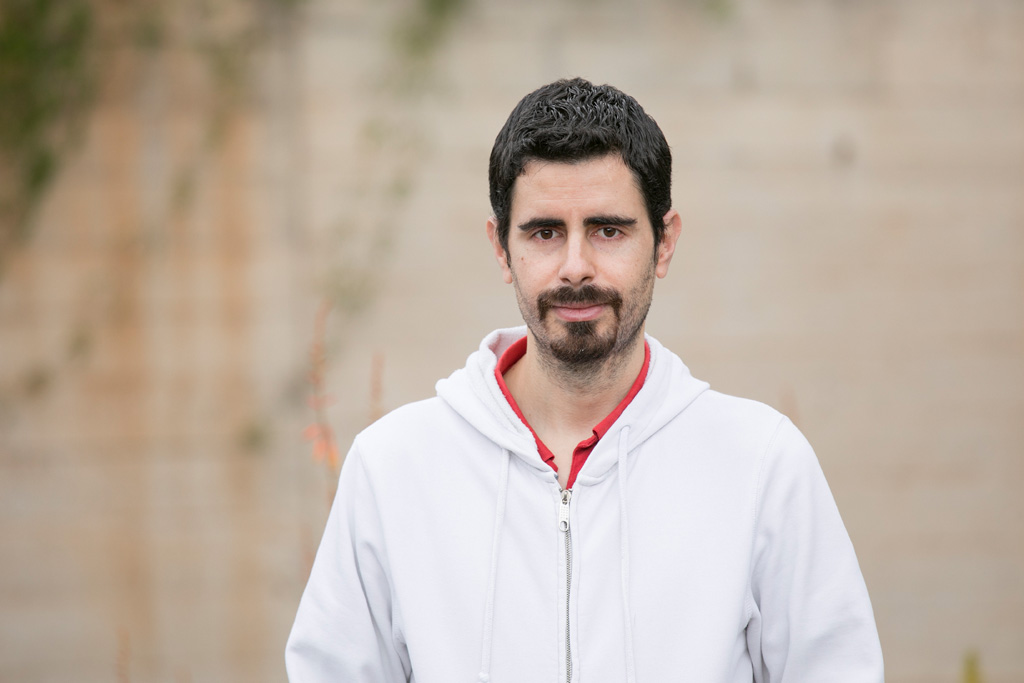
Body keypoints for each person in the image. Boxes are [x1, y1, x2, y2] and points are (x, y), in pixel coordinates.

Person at [286, 78, 884, 682]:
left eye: (608, 230)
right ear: (501, 248)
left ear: (664, 244)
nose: (575, 267)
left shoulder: (761, 465)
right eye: (545, 232)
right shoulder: (392, 469)